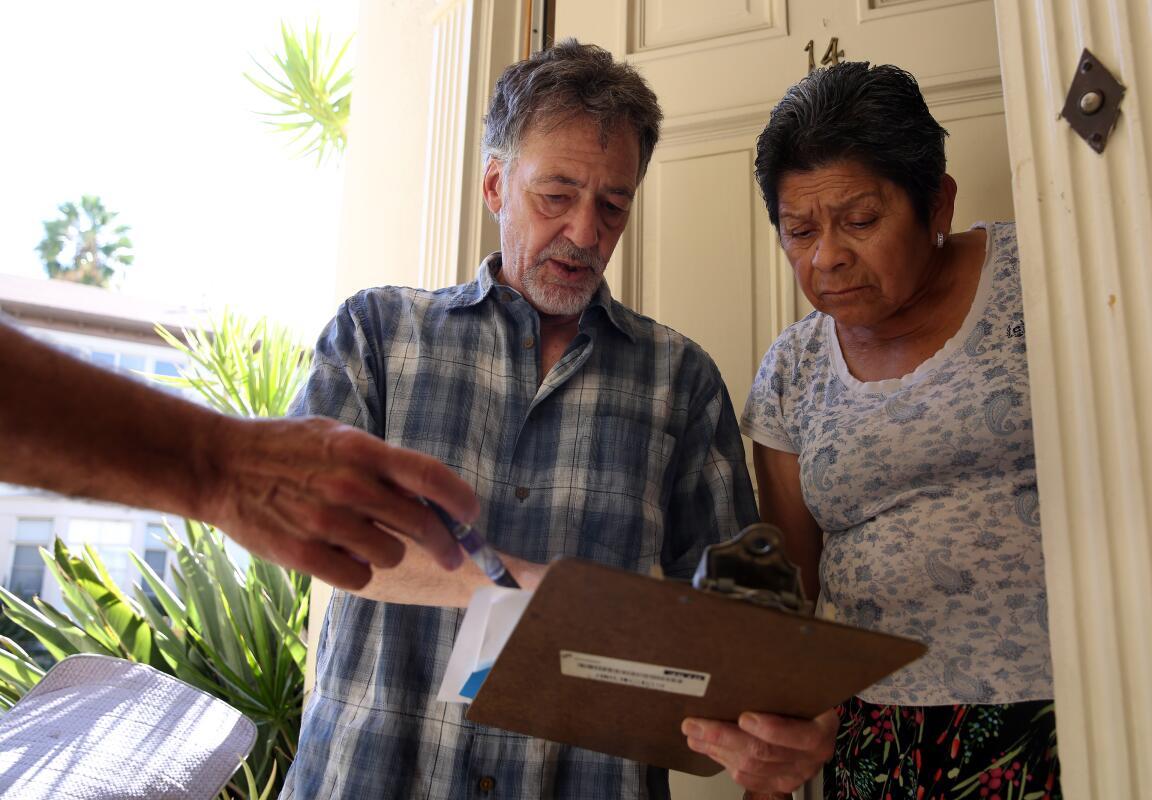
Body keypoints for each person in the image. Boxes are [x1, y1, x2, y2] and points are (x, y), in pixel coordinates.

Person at [281, 39, 835, 800]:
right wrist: (534, 593)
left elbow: (729, 628)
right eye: (556, 195)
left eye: (613, 204)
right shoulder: (375, 334)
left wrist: (772, 724)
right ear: (494, 184)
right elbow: (307, 525)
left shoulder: (682, 380)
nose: (584, 233)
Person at [740, 62, 1061, 799]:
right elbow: (794, 583)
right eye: (799, 230)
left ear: (937, 204)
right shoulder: (793, 369)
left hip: (1061, 708)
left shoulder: (1044, 278)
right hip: (875, 734)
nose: (826, 257)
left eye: (859, 220)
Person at [0, 317, 478, 591]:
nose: (559, 225)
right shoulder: (379, 321)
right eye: (552, 196)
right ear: (495, 185)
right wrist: (220, 465)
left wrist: (219, 467)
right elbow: (345, 548)